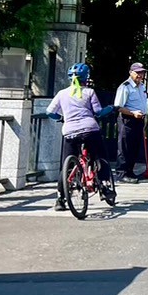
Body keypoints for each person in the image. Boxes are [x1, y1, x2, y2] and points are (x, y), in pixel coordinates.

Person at [46, 63, 118, 210]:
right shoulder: (89, 92)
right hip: (90, 130)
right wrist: (110, 108)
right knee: (100, 157)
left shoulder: (61, 94)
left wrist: (61, 118)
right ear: (87, 77)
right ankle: (104, 187)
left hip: (70, 132)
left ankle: (60, 198)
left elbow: (49, 112)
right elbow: (98, 112)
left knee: (66, 166)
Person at [114, 61, 148, 182]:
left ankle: (130, 171)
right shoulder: (125, 87)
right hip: (127, 120)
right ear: (131, 73)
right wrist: (133, 113)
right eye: (138, 72)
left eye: (142, 73)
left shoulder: (142, 86)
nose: (140, 75)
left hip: (139, 120)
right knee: (125, 147)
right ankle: (122, 173)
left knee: (134, 146)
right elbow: (118, 107)